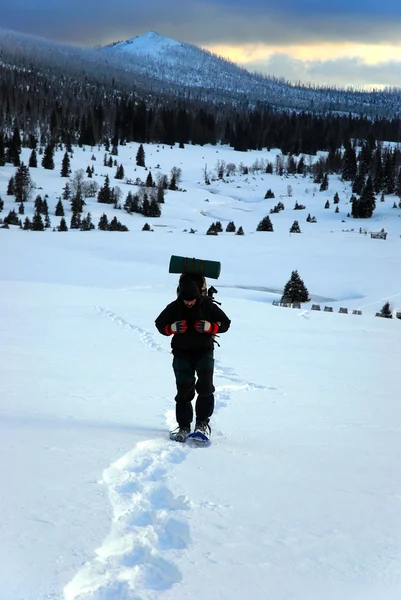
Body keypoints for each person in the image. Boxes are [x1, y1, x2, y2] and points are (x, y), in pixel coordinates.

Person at [155, 275, 231, 442]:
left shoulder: (208, 306)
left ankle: (202, 424)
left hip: (204, 352)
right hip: (181, 353)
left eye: (192, 300)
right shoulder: (174, 307)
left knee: (205, 388)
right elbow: (159, 324)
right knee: (184, 390)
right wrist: (171, 328)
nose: (188, 303)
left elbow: (225, 322)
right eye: (185, 300)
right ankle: (184, 426)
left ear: (198, 296)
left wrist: (212, 327)